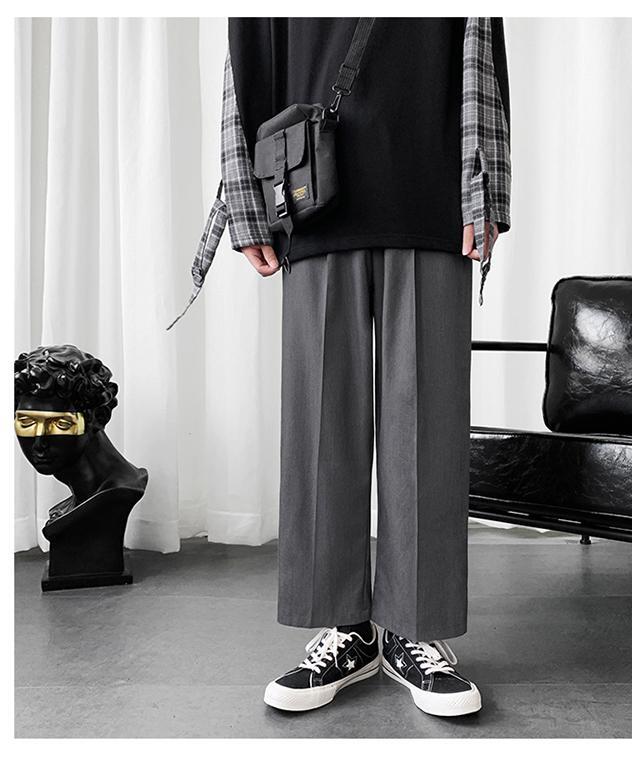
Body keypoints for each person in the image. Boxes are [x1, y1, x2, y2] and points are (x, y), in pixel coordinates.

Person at [185, 17, 511, 717]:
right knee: (320, 428)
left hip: (429, 196)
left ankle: (415, 629)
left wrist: (484, 190)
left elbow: (479, 45)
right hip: (313, 195)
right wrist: (243, 203)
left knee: (427, 429)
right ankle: (345, 630)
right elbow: (245, 55)